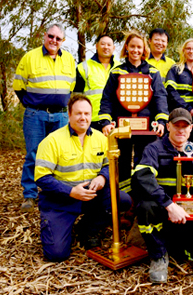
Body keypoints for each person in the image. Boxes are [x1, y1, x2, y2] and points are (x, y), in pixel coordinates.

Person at [34, 94, 132, 262]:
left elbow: (109, 165)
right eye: (78, 113)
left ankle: (88, 228)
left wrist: (102, 177)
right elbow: (42, 178)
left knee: (123, 201)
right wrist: (71, 191)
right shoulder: (52, 141)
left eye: (87, 114)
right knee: (56, 254)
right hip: (61, 199)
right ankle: (57, 225)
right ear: (69, 114)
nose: (83, 118)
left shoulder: (101, 138)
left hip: (91, 195)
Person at [131, 108, 193, 283]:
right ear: (168, 127)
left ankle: (176, 248)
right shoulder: (154, 149)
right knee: (146, 206)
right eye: (176, 125)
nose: (180, 130)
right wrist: (169, 205)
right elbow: (143, 177)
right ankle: (158, 255)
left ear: (191, 128)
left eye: (185, 126)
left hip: (189, 217)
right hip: (163, 212)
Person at [13, 23, 76, 212]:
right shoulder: (30, 57)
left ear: (62, 41)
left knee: (59, 155)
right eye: (51, 36)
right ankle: (30, 195)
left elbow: (71, 87)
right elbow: (18, 86)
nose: (54, 41)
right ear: (44, 36)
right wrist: (33, 104)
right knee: (34, 154)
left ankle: (54, 192)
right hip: (36, 114)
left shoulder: (69, 60)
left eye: (58, 38)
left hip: (61, 115)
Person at [98, 30, 169, 193]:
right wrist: (106, 122)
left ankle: (141, 198)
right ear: (126, 47)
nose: (136, 50)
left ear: (144, 49)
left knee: (143, 163)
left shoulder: (152, 72)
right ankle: (124, 203)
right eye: (132, 46)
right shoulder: (117, 72)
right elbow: (107, 98)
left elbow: (160, 97)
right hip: (121, 128)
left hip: (146, 128)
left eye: (139, 47)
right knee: (121, 164)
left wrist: (161, 122)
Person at [165, 38, 193, 147]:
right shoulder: (175, 70)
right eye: (188, 48)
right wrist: (187, 108)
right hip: (179, 114)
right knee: (178, 146)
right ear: (183, 51)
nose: (191, 51)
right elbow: (171, 92)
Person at [74, 35, 121, 131]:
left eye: (109, 45)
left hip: (116, 119)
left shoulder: (121, 68)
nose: (106, 47)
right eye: (103, 44)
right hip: (91, 120)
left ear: (113, 48)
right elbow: (76, 97)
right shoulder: (83, 67)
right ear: (96, 46)